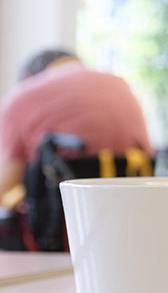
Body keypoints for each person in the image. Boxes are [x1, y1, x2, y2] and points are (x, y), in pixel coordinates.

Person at [0, 49, 152, 200]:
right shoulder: (121, 84)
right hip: (132, 208)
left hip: (67, 217)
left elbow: (6, 184)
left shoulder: (22, 95)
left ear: (28, 77)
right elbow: (149, 153)